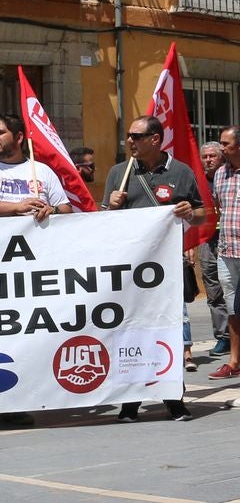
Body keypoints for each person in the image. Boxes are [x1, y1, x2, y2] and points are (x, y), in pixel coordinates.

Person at [0, 113, 71, 431]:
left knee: (21, 337)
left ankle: (14, 404)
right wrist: (17, 207)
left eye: (0, 132)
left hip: (30, 273)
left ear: (19, 137)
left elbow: (66, 212)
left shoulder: (42, 172)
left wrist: (51, 212)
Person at [103, 115, 202, 422]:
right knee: (129, 331)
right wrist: (111, 206)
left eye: (136, 136)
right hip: (129, 270)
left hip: (165, 270)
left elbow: (200, 214)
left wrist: (190, 211)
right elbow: (103, 220)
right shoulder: (119, 172)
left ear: (155, 139)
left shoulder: (180, 172)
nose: (129, 141)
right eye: (128, 136)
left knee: (167, 330)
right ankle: (130, 403)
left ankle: (174, 398)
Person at [210, 126, 240, 381]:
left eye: (225, 143)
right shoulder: (220, 174)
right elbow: (218, 208)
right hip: (227, 251)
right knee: (232, 306)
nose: (221, 148)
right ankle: (234, 361)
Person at [199, 141, 229, 356]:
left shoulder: (231, 178)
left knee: (233, 290)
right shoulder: (197, 182)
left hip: (231, 240)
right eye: (205, 156)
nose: (208, 160)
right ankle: (223, 337)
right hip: (207, 242)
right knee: (214, 291)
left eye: (212, 156)